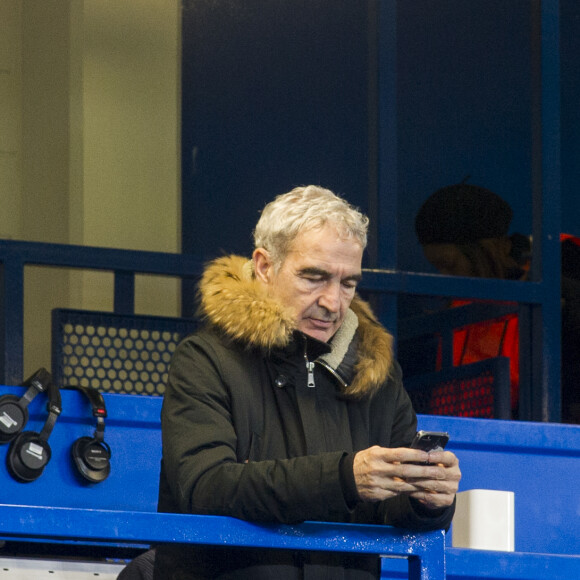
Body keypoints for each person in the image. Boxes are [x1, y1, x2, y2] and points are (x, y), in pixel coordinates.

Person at [154, 185, 461, 579]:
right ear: (265, 267)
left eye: (348, 283)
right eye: (314, 277)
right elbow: (205, 486)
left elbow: (394, 509)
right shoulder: (205, 359)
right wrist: (346, 478)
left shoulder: (377, 373)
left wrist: (427, 500)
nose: (333, 302)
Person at [414, 182, 580, 423]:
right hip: (463, 434)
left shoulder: (562, 272)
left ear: (482, 251)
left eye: (448, 264)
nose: (444, 276)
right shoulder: (457, 304)